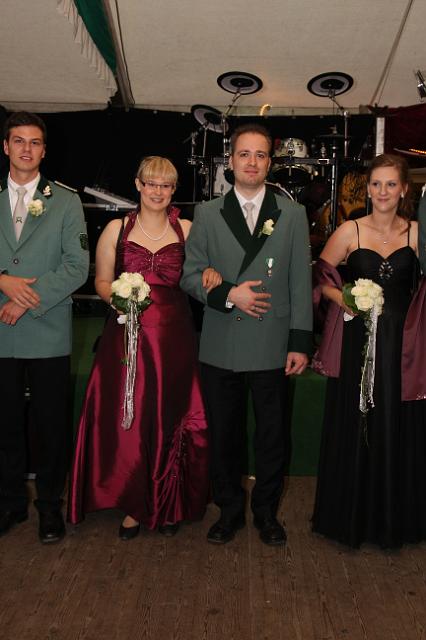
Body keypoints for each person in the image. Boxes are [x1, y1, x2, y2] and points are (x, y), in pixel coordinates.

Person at [68, 156, 220, 540]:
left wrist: (211, 272)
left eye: (166, 185)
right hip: (126, 336)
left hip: (174, 339)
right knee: (130, 415)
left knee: (170, 413)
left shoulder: (188, 229)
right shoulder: (116, 230)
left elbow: (205, 272)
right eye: (151, 183)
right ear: (138, 184)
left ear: (173, 190)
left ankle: (169, 500)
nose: (157, 191)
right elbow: (102, 281)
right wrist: (121, 301)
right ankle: (134, 502)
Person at [181, 123, 312, 546]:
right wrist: (228, 294)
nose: (251, 162)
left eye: (260, 155)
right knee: (225, 435)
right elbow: (189, 275)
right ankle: (229, 511)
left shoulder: (291, 214)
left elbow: (299, 282)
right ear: (230, 160)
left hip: (272, 343)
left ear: (269, 163)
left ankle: (266, 513)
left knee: (272, 436)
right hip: (222, 342)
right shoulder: (206, 213)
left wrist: (299, 341)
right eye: (244, 154)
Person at [312, 153, 426, 548]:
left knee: (397, 422)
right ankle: (351, 519)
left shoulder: (419, 232)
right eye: (376, 184)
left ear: (404, 190)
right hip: (358, 343)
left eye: (391, 184)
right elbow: (321, 277)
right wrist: (344, 298)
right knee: (357, 420)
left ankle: (395, 521)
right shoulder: (350, 230)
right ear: (368, 189)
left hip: (403, 346)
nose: (383, 191)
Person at [0, 111, 89, 543]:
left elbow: (77, 267)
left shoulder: (66, 201)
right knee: (4, 422)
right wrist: (3, 282)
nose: (26, 149)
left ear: (44, 150)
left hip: (47, 328)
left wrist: (23, 301)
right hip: (1, 333)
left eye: (34, 142)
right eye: (19, 140)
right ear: (5, 146)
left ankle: (50, 505)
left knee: (51, 424)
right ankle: (10, 502)